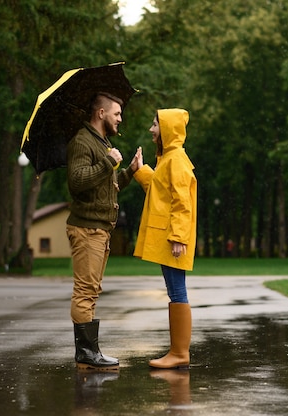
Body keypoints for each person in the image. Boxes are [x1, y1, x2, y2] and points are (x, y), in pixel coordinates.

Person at [66, 92, 141, 371]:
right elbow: (76, 182)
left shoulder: (101, 142)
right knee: (85, 291)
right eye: (117, 113)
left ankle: (89, 351)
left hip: (99, 229)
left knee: (92, 291)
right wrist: (109, 162)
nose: (120, 118)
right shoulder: (82, 142)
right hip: (87, 228)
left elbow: (103, 188)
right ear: (101, 114)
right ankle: (86, 353)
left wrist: (129, 172)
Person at [133, 108, 197, 369]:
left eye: (155, 125)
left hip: (172, 239)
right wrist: (140, 170)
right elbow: (160, 193)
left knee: (177, 291)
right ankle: (177, 352)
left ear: (168, 129)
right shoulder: (168, 159)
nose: (151, 129)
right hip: (168, 237)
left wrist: (179, 236)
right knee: (174, 291)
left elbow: (183, 203)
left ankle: (180, 353)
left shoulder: (176, 160)